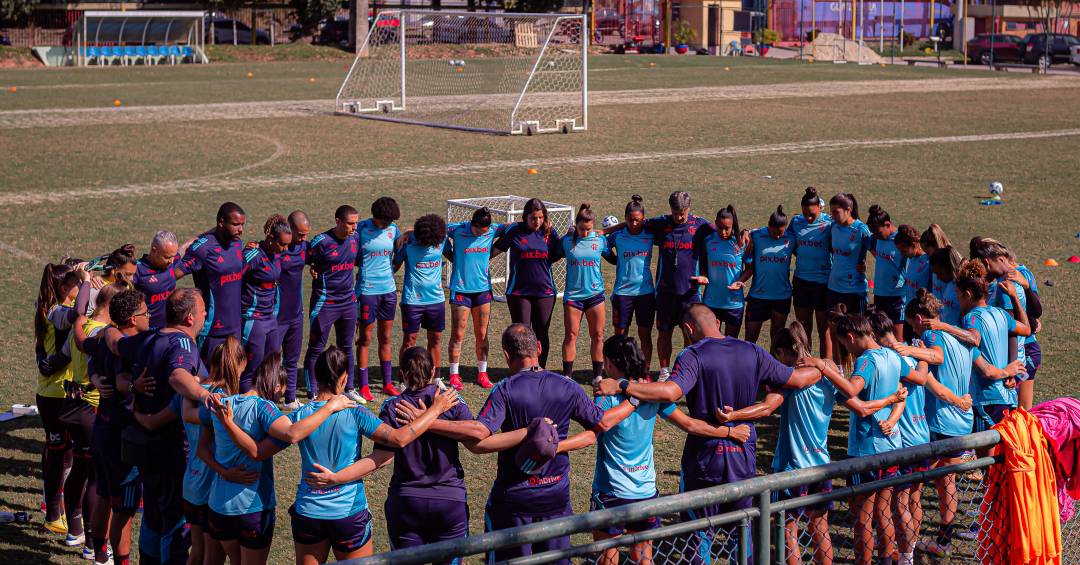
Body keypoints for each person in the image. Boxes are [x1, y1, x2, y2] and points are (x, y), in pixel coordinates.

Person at [595, 304, 825, 561]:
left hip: (704, 459)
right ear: (717, 321)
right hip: (742, 455)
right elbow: (799, 380)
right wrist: (822, 366)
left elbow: (671, 392)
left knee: (699, 534)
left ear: (688, 328)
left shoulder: (692, 355)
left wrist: (623, 385)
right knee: (742, 530)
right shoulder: (752, 351)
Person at [408, 324, 638, 562]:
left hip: (513, 501)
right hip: (556, 498)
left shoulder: (505, 390)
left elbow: (479, 436)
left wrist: (428, 422)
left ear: (507, 356)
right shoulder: (567, 386)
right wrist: (634, 400)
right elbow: (601, 424)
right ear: (538, 348)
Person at [214, 346, 458, 564]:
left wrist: (229, 426)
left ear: (316, 377)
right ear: (343, 379)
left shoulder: (301, 417)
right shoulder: (355, 412)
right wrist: (435, 410)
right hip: (348, 514)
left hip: (308, 513)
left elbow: (258, 451)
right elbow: (399, 438)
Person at [590, 335, 752, 565]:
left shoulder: (605, 398)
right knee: (644, 560)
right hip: (645, 493)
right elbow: (690, 424)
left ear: (608, 362)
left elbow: (597, 426)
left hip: (610, 493)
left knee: (607, 561)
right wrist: (729, 432)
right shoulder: (652, 395)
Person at [193, 349, 353, 565]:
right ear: (277, 386)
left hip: (218, 506)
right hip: (251, 507)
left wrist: (223, 471)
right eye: (281, 393)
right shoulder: (263, 407)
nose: (279, 399)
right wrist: (330, 406)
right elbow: (292, 433)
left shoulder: (222, 403)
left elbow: (201, 446)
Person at [893, 289, 1017, 557]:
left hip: (940, 420)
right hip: (964, 422)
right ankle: (944, 540)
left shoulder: (930, 335)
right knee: (947, 482)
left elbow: (934, 365)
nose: (912, 330)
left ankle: (907, 546)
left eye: (911, 324)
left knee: (917, 486)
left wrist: (912, 352)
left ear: (918, 318)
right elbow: (986, 370)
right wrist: (1009, 372)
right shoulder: (964, 340)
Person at [132, 337, 249, 565]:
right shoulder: (222, 403)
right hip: (210, 486)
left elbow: (152, 422)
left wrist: (134, 412)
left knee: (196, 553)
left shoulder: (190, 394)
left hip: (191, 482)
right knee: (211, 557)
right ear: (238, 366)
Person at [120, 288, 214, 564]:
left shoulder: (150, 337)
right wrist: (206, 395)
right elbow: (177, 376)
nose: (206, 315)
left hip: (145, 446)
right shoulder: (183, 345)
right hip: (171, 450)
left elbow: (113, 342)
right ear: (188, 318)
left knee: (152, 515)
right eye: (202, 311)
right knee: (174, 522)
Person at [825, 308, 908, 565]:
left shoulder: (866, 361)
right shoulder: (892, 357)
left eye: (844, 346)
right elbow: (901, 393)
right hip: (892, 445)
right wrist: (892, 415)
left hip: (866, 450)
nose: (848, 352)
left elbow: (852, 388)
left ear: (851, 337)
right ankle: (885, 559)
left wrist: (824, 368)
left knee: (862, 517)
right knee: (884, 512)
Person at [88, 289, 151, 565]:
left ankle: (99, 552)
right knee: (123, 509)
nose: (149, 316)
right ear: (133, 319)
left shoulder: (106, 338)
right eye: (145, 313)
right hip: (122, 438)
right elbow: (122, 380)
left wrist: (94, 377)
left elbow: (89, 355)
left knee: (103, 494)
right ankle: (121, 562)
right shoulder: (125, 346)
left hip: (101, 429)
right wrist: (134, 386)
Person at [62, 282, 124, 560]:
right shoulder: (106, 335)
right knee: (97, 481)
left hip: (71, 404)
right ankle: (92, 545)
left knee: (78, 469)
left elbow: (73, 345)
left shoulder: (84, 324)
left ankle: (73, 531)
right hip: (93, 409)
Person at [936, 260, 1030, 431]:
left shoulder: (972, 318)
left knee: (987, 455)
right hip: (1007, 397)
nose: (958, 300)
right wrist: (1015, 298)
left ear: (967, 294)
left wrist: (943, 326)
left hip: (986, 399)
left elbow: (974, 339)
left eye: (958, 295)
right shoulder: (1001, 313)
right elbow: (1026, 328)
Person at [34, 262, 81, 536]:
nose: (79, 288)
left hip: (55, 392)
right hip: (57, 395)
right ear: (64, 288)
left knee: (62, 455)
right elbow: (76, 314)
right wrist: (88, 283)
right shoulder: (57, 312)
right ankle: (54, 513)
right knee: (61, 457)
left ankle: (57, 512)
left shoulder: (44, 307)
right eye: (75, 284)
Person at [641, 191, 709, 380]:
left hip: (690, 293)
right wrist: (607, 231)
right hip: (665, 291)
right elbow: (636, 222)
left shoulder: (701, 225)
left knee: (692, 334)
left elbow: (722, 234)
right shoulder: (662, 223)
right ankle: (664, 371)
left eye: (683, 213)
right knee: (664, 332)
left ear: (689, 209)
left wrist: (744, 233)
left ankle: (690, 369)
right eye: (675, 212)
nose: (679, 217)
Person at [971, 237, 1042, 410]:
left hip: (1020, 354)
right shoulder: (1022, 272)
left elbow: (1013, 330)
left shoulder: (1005, 286)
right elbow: (1035, 312)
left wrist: (1011, 368)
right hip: (1026, 350)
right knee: (1021, 411)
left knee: (1021, 412)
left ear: (987, 263)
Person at [304, 205, 361, 403]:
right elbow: (299, 254)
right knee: (316, 347)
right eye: (350, 223)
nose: (354, 227)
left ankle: (349, 387)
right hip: (325, 303)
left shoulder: (355, 238)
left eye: (356, 223)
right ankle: (312, 391)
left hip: (348, 302)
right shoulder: (321, 242)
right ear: (337, 221)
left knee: (347, 347)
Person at [178, 202, 247, 360]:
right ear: (221, 223)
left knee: (232, 376)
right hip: (211, 330)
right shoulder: (203, 248)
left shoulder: (237, 243)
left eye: (242, 224)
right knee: (207, 380)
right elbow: (174, 274)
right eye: (236, 224)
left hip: (235, 326)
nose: (240, 229)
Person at [444, 207, 504, 390]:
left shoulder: (493, 230)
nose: (480, 235)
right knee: (458, 334)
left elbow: (511, 228)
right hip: (461, 290)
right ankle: (454, 374)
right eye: (478, 231)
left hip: (483, 291)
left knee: (482, 334)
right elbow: (436, 228)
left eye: (484, 233)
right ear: (472, 224)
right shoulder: (458, 230)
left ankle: (483, 374)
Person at [495, 197, 558, 369]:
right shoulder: (515, 231)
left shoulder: (550, 233)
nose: (537, 221)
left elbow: (560, 252)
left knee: (541, 334)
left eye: (540, 218)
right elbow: (494, 250)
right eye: (533, 218)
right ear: (525, 217)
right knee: (521, 335)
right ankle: (520, 370)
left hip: (545, 292)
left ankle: (539, 369)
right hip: (518, 293)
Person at [550, 203, 607, 380]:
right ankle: (567, 375)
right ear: (576, 225)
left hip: (595, 296)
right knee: (571, 335)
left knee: (597, 335)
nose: (585, 233)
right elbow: (551, 255)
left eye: (589, 229)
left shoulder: (599, 240)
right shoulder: (567, 241)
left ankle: (597, 375)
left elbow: (613, 257)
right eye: (582, 229)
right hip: (574, 297)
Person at [355, 197, 402, 399]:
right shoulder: (360, 229)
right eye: (385, 221)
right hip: (367, 291)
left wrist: (390, 272)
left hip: (388, 291)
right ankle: (364, 385)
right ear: (376, 216)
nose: (388, 225)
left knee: (386, 338)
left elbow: (398, 254)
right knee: (365, 338)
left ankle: (387, 383)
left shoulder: (393, 230)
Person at [239, 215, 292, 393]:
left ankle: (266, 407)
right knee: (252, 369)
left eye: (287, 245)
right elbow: (232, 278)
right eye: (282, 244)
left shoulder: (276, 255)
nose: (285, 249)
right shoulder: (253, 255)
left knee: (272, 367)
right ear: (270, 239)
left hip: (270, 319)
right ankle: (245, 409)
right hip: (253, 320)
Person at [604, 195, 657, 369]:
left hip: (646, 293)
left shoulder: (649, 235)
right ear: (625, 218)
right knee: (620, 335)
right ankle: (621, 369)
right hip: (622, 294)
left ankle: (645, 370)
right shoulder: (618, 235)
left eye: (638, 220)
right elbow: (604, 245)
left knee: (645, 335)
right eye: (630, 220)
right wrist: (614, 260)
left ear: (643, 219)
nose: (634, 224)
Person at [394, 214, 448, 380]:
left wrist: (409, 230)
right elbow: (394, 267)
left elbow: (454, 227)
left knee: (436, 340)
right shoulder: (408, 245)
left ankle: (436, 378)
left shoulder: (441, 240)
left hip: (436, 300)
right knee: (409, 340)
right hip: (412, 301)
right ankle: (404, 377)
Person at [734, 205, 794, 345]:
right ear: (768, 226)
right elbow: (746, 235)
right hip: (758, 295)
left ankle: (773, 366)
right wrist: (745, 232)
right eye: (774, 232)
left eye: (780, 232)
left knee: (777, 339)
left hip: (782, 296)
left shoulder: (791, 238)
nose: (777, 236)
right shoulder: (757, 235)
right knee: (750, 340)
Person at [790, 187, 834, 358]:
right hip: (801, 281)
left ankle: (826, 369)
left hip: (823, 283)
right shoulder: (796, 222)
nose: (808, 218)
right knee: (803, 329)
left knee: (824, 331)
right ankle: (806, 364)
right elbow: (791, 244)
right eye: (805, 213)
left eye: (812, 215)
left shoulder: (829, 223)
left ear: (820, 208)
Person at [277, 210, 311, 409]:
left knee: (292, 359)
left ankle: (290, 398)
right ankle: (269, 397)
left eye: (306, 234)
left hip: (296, 314)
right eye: (300, 234)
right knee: (272, 360)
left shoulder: (304, 247)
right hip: (276, 316)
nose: (303, 238)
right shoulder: (277, 248)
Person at [693, 205, 745, 338]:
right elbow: (704, 263)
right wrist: (703, 276)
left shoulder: (741, 243)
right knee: (711, 342)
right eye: (720, 227)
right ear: (715, 223)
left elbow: (750, 268)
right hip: (711, 302)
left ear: (733, 225)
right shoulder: (709, 240)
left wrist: (740, 281)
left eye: (727, 228)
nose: (723, 232)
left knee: (731, 344)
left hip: (733, 302)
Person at [867, 205, 907, 340]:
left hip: (897, 297)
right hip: (880, 295)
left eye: (878, 232)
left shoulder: (901, 240)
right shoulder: (876, 238)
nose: (876, 236)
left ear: (887, 224)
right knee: (881, 338)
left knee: (898, 341)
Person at [132, 231, 183, 329]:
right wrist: (98, 280)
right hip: (147, 330)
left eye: (173, 256)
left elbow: (184, 249)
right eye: (167, 257)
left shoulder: (171, 260)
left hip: (170, 327)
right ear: (154, 250)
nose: (172, 261)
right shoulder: (137, 270)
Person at [894, 225, 930, 341]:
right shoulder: (911, 260)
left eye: (903, 250)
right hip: (909, 316)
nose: (902, 254)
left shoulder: (927, 262)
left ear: (914, 245)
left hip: (921, 318)